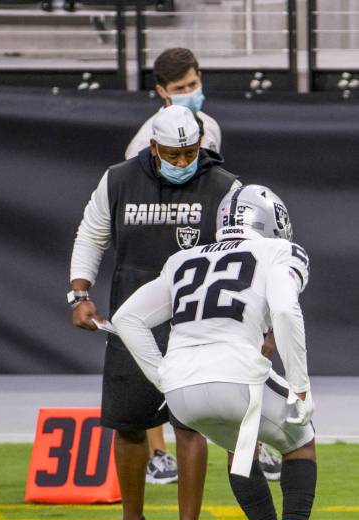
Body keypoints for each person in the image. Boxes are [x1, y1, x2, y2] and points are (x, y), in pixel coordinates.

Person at [112, 185, 329, 520]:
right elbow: (285, 310)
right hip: (235, 377)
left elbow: (126, 318)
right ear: (272, 222)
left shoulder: (182, 258)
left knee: (241, 449)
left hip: (180, 390)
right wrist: (300, 387)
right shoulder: (280, 252)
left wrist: (164, 378)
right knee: (301, 442)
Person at [70, 104, 239, 520]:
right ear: (152, 148)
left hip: (197, 319)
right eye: (173, 154)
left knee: (190, 424)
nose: (183, 162)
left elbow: (249, 254)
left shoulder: (225, 187)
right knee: (128, 424)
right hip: (131, 315)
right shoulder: (119, 179)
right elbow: (91, 235)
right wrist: (78, 291)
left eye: (190, 153)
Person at [125, 47, 282, 485]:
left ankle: (246, 440)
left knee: (234, 344)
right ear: (161, 92)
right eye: (181, 89)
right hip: (162, 257)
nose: (192, 94)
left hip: (204, 252)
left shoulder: (207, 126)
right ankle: (159, 453)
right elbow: (140, 208)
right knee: (155, 351)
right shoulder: (142, 144)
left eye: (194, 85)